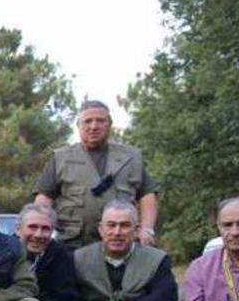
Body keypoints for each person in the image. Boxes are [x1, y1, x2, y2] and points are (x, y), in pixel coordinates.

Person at [35, 100, 159, 249]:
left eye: (100, 121)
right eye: (88, 121)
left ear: (110, 124)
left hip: (122, 243)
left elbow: (147, 195)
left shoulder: (131, 157)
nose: (94, 126)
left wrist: (147, 230)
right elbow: (44, 198)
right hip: (72, 244)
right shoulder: (60, 158)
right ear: (78, 125)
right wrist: (40, 229)